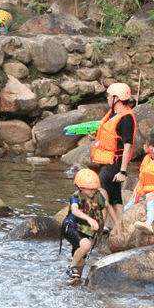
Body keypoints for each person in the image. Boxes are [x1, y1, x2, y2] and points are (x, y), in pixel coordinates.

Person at [61, 168, 120, 284]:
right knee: (86, 245)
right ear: (80, 188)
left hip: (84, 230)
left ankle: (75, 282)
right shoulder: (76, 197)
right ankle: (71, 267)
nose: (92, 192)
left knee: (82, 261)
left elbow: (108, 207)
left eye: (94, 189)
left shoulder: (98, 196)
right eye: (89, 190)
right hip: (71, 227)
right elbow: (74, 210)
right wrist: (89, 219)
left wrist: (117, 225)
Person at [90, 82, 137, 221]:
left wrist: (122, 171)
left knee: (101, 188)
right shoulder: (113, 114)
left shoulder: (126, 118)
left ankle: (102, 224)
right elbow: (110, 134)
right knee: (116, 196)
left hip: (115, 161)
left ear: (116, 98)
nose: (107, 98)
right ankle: (120, 225)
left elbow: (127, 145)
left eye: (109, 96)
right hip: (106, 158)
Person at [129, 132, 154, 234]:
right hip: (144, 189)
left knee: (151, 202)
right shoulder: (147, 158)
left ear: (151, 147)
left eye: (146, 144)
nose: (143, 146)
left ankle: (149, 224)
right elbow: (142, 177)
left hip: (151, 190)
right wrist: (136, 189)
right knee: (129, 205)